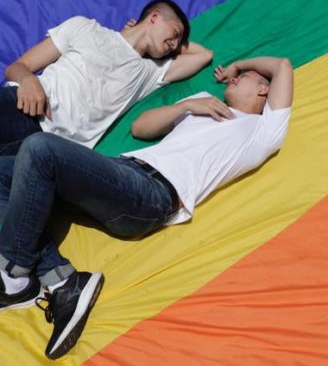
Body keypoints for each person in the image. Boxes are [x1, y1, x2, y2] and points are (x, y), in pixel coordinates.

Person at [0, 56, 293, 359]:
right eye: (237, 75)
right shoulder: (204, 103)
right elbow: (140, 127)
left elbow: (282, 65)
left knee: (40, 147)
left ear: (264, 90)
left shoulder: (262, 132)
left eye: (246, 77)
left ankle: (13, 274)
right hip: (122, 171)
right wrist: (187, 106)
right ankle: (61, 279)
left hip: (152, 194)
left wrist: (237, 65)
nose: (234, 78)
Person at [0, 0, 213, 156]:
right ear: (155, 17)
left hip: (49, 149)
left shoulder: (150, 72)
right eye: (175, 33)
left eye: (179, 42)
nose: (175, 44)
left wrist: (175, 43)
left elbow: (204, 55)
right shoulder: (85, 27)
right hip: (24, 107)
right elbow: (18, 67)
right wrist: (28, 80)